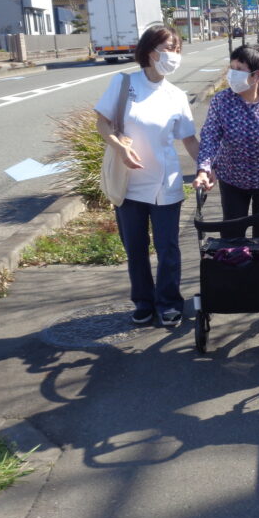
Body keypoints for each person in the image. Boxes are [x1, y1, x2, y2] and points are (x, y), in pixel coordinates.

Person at [95, 25, 199, 328]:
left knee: (168, 247)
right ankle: (143, 301)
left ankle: (168, 302)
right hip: (129, 183)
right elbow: (102, 122)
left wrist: (207, 167)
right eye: (169, 48)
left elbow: (189, 139)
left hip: (166, 183)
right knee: (136, 248)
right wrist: (119, 148)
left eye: (178, 49)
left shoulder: (176, 95)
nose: (174, 55)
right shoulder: (124, 82)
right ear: (150, 51)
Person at [193, 44, 259, 238]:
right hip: (232, 178)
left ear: (258, 75)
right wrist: (204, 169)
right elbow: (210, 136)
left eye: (239, 69)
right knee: (231, 235)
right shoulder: (222, 100)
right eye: (231, 68)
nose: (232, 74)